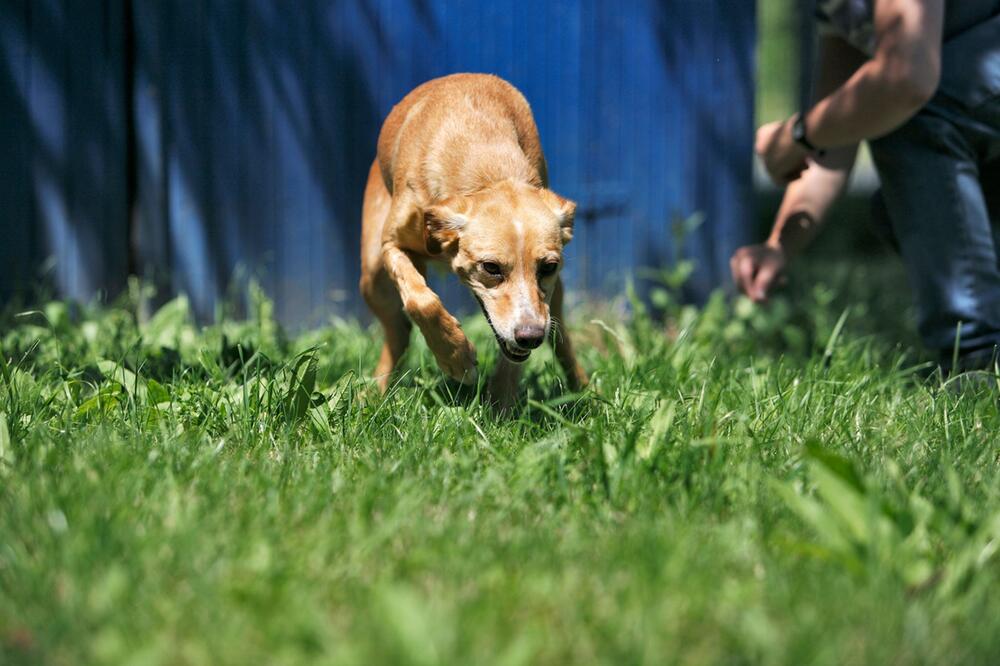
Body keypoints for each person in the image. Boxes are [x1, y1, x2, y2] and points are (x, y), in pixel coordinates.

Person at [732, 0, 1000, 372]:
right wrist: (778, 246)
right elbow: (831, 145)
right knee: (909, 209)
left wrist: (795, 136)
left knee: (911, 117)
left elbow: (905, 79)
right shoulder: (840, 9)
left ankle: (978, 358)